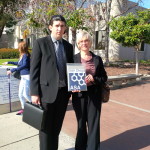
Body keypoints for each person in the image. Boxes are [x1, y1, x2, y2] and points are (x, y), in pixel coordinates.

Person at [30, 15, 74, 150]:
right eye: (56, 25)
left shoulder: (68, 46)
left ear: (65, 28)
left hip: (62, 94)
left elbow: (70, 68)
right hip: (45, 94)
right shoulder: (40, 43)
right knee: (45, 129)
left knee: (56, 128)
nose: (59, 28)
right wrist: (34, 93)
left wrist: (74, 85)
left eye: (62, 26)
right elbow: (34, 70)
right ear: (50, 27)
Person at [72, 30, 108, 150]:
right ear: (78, 43)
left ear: (90, 42)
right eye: (81, 41)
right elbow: (68, 78)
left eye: (86, 40)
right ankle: (80, 147)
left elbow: (104, 77)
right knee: (81, 124)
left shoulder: (97, 59)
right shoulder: (73, 58)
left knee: (93, 124)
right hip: (79, 96)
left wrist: (94, 78)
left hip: (94, 95)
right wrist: (72, 87)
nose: (84, 43)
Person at [3, 41, 31, 115]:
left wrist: (12, 70)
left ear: (22, 48)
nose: (18, 48)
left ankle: (36, 106)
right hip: (23, 77)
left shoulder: (26, 55)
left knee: (25, 94)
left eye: (19, 47)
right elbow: (18, 63)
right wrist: (9, 62)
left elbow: (24, 65)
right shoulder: (22, 56)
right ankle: (24, 109)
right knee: (20, 94)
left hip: (27, 76)